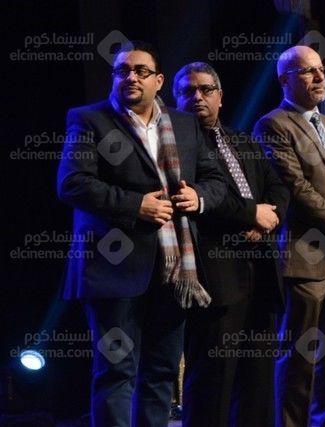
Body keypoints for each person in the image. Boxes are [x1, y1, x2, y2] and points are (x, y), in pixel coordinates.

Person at [57, 41, 227, 427]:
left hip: (173, 269)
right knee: (116, 372)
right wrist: (137, 205)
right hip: (112, 267)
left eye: (140, 71)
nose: (130, 77)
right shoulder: (90, 120)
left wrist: (198, 196)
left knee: (162, 371)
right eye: (122, 70)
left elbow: (215, 178)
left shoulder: (184, 124)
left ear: (159, 81)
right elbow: (72, 183)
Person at [253, 45, 325, 427]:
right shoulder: (273, 125)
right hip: (305, 259)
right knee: (299, 359)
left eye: (321, 70)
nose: (319, 77)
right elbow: (297, 189)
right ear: (284, 79)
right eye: (307, 71)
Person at [173, 61, 289, 427]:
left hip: (261, 272)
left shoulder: (242, 140)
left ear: (220, 97)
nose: (197, 97)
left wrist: (268, 220)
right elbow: (205, 198)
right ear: (175, 99)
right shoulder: (177, 148)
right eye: (187, 91)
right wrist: (251, 215)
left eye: (205, 89)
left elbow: (278, 186)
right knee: (213, 381)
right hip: (216, 276)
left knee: (258, 381)